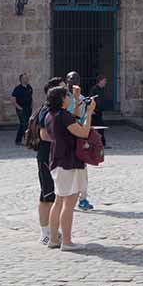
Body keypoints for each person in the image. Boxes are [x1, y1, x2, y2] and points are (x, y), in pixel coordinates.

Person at [45, 83, 95, 250]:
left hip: (58, 160)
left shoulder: (51, 115)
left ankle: (53, 239)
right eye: (67, 96)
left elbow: (73, 116)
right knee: (69, 201)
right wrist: (89, 113)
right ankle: (66, 241)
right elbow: (83, 132)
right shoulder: (63, 116)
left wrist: (76, 98)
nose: (69, 99)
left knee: (59, 200)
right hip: (68, 161)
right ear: (61, 99)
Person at [32, 76, 63, 246]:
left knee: (52, 195)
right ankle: (45, 233)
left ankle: (52, 230)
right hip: (46, 156)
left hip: (53, 156)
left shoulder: (55, 110)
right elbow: (44, 135)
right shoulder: (46, 110)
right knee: (47, 195)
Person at [65, 72, 95, 212]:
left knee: (82, 169)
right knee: (65, 170)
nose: (74, 81)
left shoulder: (83, 99)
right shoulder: (62, 98)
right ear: (66, 81)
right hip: (64, 137)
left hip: (78, 136)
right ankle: (63, 197)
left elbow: (82, 118)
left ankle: (83, 198)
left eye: (76, 79)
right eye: (71, 79)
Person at [12, 73, 33, 147]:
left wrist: (31, 106)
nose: (26, 79)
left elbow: (31, 98)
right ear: (21, 80)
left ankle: (18, 140)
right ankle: (27, 141)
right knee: (24, 124)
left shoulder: (29, 87)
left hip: (28, 108)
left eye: (27, 78)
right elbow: (13, 99)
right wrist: (18, 107)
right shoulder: (17, 88)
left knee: (24, 124)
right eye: (24, 78)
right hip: (21, 108)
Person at [88, 75, 109, 147]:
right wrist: (92, 109)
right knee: (98, 127)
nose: (105, 82)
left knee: (100, 127)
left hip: (99, 111)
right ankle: (100, 143)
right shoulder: (94, 89)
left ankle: (101, 143)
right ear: (100, 81)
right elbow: (91, 99)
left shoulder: (101, 89)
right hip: (95, 111)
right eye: (104, 80)